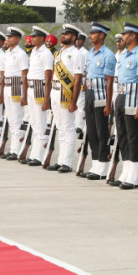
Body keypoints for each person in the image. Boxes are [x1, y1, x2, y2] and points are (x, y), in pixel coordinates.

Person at [112, 23, 138, 189]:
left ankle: (133, 177)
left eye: (126, 34)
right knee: (122, 135)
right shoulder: (125, 55)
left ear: (133, 36)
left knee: (132, 137)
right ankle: (125, 172)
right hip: (121, 96)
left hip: (132, 98)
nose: (123, 37)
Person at [46, 25, 83, 172]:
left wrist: (74, 101)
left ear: (73, 37)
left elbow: (78, 79)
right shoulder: (59, 52)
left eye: (67, 34)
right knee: (60, 127)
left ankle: (67, 162)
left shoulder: (77, 54)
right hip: (55, 92)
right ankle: (60, 160)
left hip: (66, 93)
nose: (63, 36)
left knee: (68, 127)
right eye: (63, 34)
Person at [83, 22, 116, 179]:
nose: (90, 35)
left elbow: (109, 81)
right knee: (91, 130)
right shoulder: (90, 53)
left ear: (102, 35)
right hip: (89, 93)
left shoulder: (108, 55)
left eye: (94, 33)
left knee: (101, 131)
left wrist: (108, 104)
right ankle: (95, 162)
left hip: (101, 95)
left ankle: (103, 165)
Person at [18, 26, 53, 165]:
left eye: (34, 36)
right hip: (32, 87)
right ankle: (34, 153)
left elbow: (48, 76)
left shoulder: (46, 53)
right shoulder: (33, 51)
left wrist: (46, 99)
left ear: (42, 38)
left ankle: (39, 156)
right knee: (33, 121)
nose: (31, 38)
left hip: (40, 87)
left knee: (40, 122)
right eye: (31, 36)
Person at [0, 27, 29, 159]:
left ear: (17, 39)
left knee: (16, 118)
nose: (8, 39)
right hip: (7, 85)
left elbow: (24, 74)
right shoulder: (7, 53)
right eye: (8, 36)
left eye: (11, 37)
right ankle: (13, 148)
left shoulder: (21, 54)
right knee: (10, 118)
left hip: (17, 86)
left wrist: (25, 94)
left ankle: (16, 150)